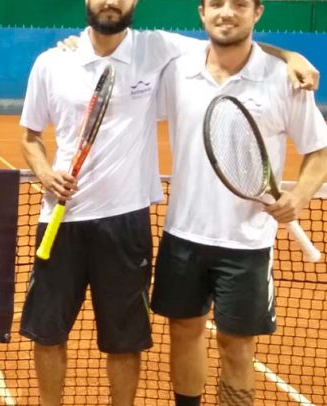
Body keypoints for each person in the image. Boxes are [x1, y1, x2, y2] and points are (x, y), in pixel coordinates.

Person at [18, 0, 318, 404]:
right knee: (58, 333)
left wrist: (290, 54)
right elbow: (30, 135)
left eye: (239, 4)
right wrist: (44, 173)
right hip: (103, 226)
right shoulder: (61, 62)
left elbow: (230, 39)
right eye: (216, 4)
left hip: (146, 227)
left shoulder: (157, 49)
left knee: (143, 342)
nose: (111, 1)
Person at [153, 0, 327, 404]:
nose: (226, 13)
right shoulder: (178, 69)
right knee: (183, 332)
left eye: (239, 4)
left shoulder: (282, 79)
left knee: (237, 345)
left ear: (257, 12)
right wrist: (73, 45)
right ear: (201, 12)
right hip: (183, 234)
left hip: (247, 244)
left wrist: (300, 195)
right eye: (216, 4)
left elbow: (319, 151)